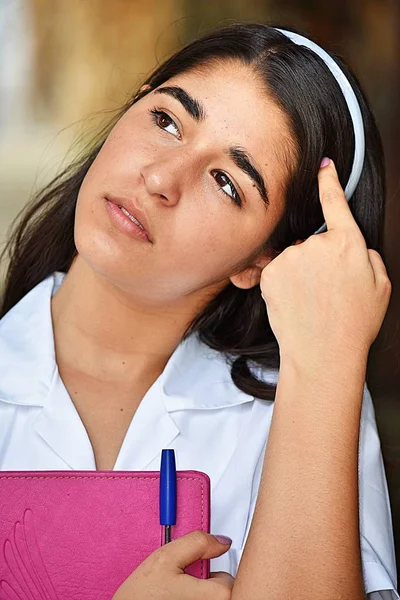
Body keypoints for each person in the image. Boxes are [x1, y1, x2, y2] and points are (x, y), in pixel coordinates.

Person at [0, 21, 397, 600]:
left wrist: (330, 360)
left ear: (263, 262)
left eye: (227, 182)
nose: (160, 179)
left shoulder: (308, 402)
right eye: (166, 122)